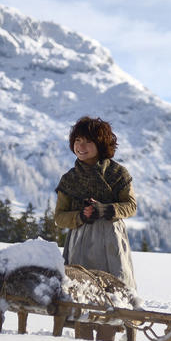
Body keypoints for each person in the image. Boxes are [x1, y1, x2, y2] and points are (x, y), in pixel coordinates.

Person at [54, 116, 138, 293]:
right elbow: (60, 217)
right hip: (79, 240)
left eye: (88, 141)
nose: (81, 147)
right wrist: (81, 216)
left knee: (116, 290)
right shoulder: (69, 179)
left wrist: (108, 209)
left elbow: (131, 205)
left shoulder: (118, 173)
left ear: (100, 144)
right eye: (78, 140)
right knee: (80, 290)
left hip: (111, 239)